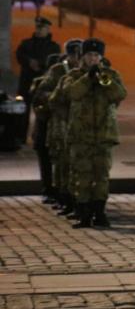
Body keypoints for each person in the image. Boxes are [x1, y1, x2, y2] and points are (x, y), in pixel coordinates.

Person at [59, 38, 127, 228]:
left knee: (101, 176)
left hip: (104, 134)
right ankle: (84, 214)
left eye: (96, 55)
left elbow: (119, 94)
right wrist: (87, 78)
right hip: (81, 135)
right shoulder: (73, 76)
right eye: (89, 55)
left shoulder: (110, 75)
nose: (93, 59)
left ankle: (100, 212)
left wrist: (103, 79)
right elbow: (71, 93)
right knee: (83, 175)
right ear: (83, 56)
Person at [40, 39, 82, 215]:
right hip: (61, 124)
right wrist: (59, 99)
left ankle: (79, 200)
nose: (77, 59)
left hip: (81, 124)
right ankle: (63, 197)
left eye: (80, 55)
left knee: (78, 164)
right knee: (62, 164)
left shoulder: (86, 72)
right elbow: (43, 92)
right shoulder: (58, 70)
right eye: (74, 55)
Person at [15, 16, 61, 145]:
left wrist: (39, 64)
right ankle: (20, 136)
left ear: (48, 29)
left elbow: (54, 62)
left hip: (43, 83)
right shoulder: (26, 43)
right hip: (26, 81)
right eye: (38, 28)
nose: (39, 31)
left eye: (42, 28)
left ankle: (40, 138)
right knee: (23, 110)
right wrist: (29, 62)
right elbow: (19, 56)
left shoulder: (53, 47)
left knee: (43, 112)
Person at [30, 53, 61, 204]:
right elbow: (38, 105)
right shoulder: (41, 83)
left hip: (59, 131)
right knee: (46, 163)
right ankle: (47, 189)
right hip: (44, 130)